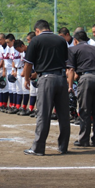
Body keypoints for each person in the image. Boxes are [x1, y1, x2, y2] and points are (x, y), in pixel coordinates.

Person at [23, 20, 71, 156]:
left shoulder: (36, 41)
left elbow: (28, 64)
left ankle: (38, 148)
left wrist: (26, 79)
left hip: (46, 80)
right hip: (62, 79)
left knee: (43, 114)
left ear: (37, 30)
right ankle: (63, 147)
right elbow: (65, 62)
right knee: (63, 115)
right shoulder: (61, 40)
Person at [67, 31, 95, 147]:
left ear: (75, 40)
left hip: (87, 79)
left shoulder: (73, 49)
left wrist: (70, 86)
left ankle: (84, 140)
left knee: (85, 110)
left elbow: (71, 70)